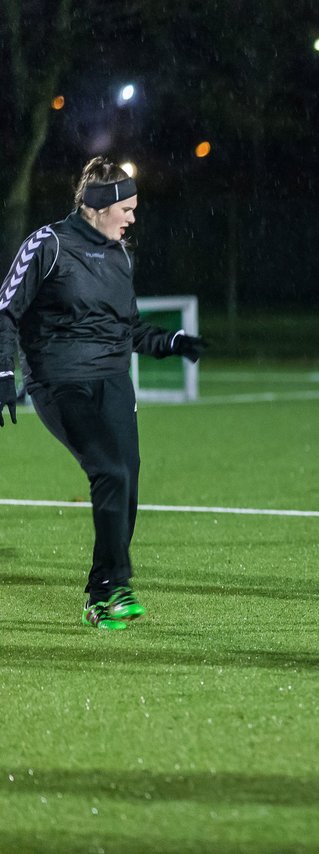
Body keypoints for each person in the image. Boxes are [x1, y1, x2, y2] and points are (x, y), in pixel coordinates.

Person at [0, 156, 206, 630]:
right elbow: (6, 311)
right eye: (128, 208)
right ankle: (117, 585)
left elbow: (127, 328)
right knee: (108, 469)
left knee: (126, 477)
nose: (133, 218)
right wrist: (2, 372)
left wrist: (170, 342)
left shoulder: (120, 256)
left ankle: (100, 593)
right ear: (101, 205)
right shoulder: (47, 244)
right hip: (58, 382)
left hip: (113, 381)